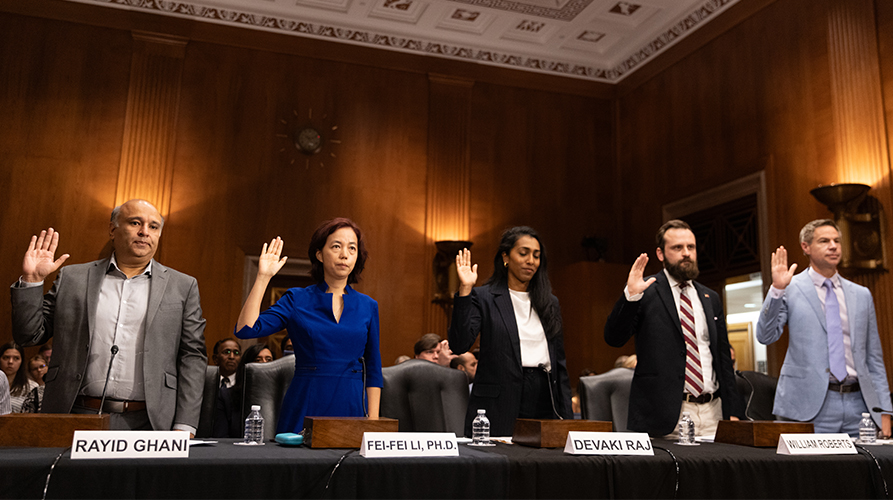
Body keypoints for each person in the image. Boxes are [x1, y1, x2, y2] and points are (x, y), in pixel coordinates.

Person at [10, 200, 208, 434]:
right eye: (136, 223)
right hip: (75, 413)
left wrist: (185, 424)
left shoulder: (182, 286)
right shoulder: (73, 278)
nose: (145, 232)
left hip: (150, 422)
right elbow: (29, 335)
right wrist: (32, 280)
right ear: (113, 230)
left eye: (154, 227)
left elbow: (192, 356)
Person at [235, 218, 383, 434]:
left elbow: (373, 367)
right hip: (306, 400)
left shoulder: (368, 306)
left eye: (352, 248)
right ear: (319, 254)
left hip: (351, 405)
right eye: (336, 246)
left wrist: (374, 422)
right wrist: (263, 277)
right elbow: (246, 329)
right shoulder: (297, 299)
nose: (345, 254)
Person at [604, 219, 743, 437]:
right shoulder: (645, 291)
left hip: (713, 412)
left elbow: (723, 357)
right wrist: (630, 297)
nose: (686, 253)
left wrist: (734, 411)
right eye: (677, 248)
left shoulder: (710, 297)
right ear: (660, 254)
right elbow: (614, 337)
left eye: (691, 247)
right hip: (667, 415)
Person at [756, 219, 892, 437]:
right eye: (824, 241)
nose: (833, 246)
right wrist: (777, 289)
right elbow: (765, 336)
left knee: (861, 471)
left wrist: (884, 410)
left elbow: (874, 357)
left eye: (837, 241)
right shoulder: (790, 288)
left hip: (860, 405)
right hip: (807, 406)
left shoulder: (861, 294)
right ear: (805, 247)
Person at [450, 226, 573, 437]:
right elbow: (460, 343)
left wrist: (567, 418)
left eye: (536, 255)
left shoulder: (550, 302)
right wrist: (465, 291)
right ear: (505, 256)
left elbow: (559, 365)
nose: (531, 261)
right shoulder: (484, 297)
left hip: (545, 396)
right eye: (523, 253)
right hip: (499, 401)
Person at [1, 342, 37, 413]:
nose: (10, 362)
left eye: (16, 358)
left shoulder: (32, 387)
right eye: (6, 358)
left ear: (21, 361)